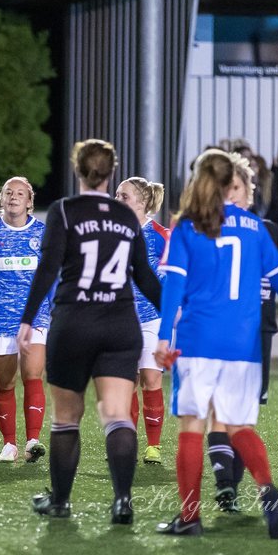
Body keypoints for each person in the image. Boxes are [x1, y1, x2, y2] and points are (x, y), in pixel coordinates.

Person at [154, 149, 278, 539]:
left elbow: (173, 284)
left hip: (199, 339)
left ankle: (189, 517)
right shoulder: (256, 226)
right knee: (240, 426)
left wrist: (162, 338)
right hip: (244, 345)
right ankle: (267, 490)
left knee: (193, 426)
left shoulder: (189, 226)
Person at [22, 140, 163, 523]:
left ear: (77, 169)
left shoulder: (65, 210)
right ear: (111, 171)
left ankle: (61, 502)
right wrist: (176, 313)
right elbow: (145, 276)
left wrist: (27, 317)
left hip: (74, 323)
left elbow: (48, 268)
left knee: (67, 417)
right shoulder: (125, 216)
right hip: (120, 324)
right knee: (117, 415)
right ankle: (122, 501)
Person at [206, 154, 278, 513]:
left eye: (236, 188)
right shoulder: (209, 229)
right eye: (224, 190)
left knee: (241, 416)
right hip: (217, 331)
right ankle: (226, 486)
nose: (230, 196)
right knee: (218, 410)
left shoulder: (268, 231)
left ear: (249, 192)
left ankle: (234, 484)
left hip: (258, 331)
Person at [0, 176, 53, 463]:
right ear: (2, 198)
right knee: (5, 383)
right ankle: (9, 444)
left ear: (30, 201)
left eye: (21, 193)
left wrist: (51, 308)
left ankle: (33, 440)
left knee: (34, 376)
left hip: (35, 317)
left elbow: (51, 278)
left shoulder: (44, 234)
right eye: (9, 192)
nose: (14, 197)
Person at [114, 175, 168, 464]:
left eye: (124, 196)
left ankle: (154, 446)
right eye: (116, 195)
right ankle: (128, 444)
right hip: (119, 317)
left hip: (152, 318)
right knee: (126, 383)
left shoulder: (161, 234)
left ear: (143, 202)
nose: (117, 201)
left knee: (150, 378)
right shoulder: (111, 232)